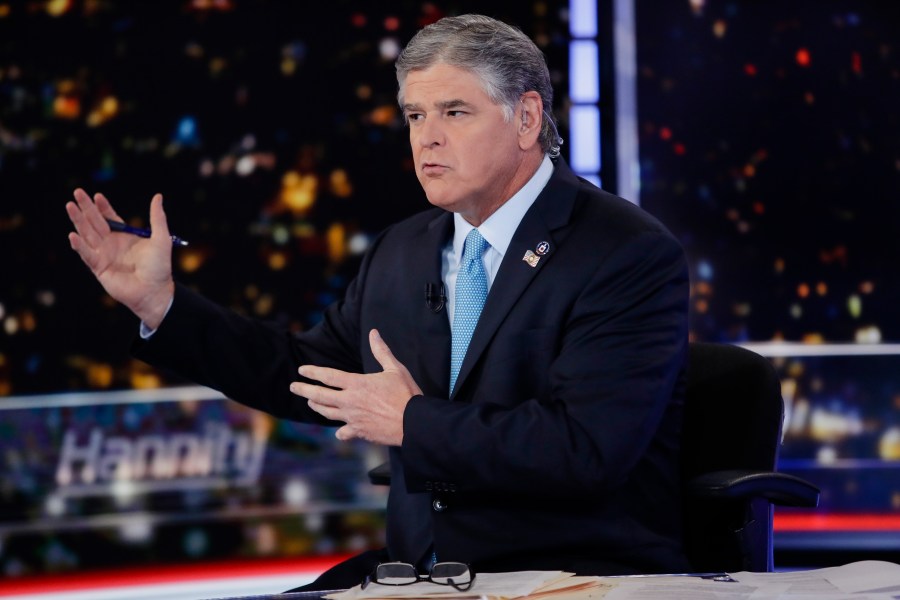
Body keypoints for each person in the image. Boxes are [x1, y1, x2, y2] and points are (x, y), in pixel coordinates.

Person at [66, 14, 691, 590]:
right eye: (415, 116)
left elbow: (585, 450)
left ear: (527, 119)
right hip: (425, 575)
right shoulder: (406, 248)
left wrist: (412, 422)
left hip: (577, 573)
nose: (428, 139)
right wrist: (164, 307)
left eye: (454, 112)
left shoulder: (624, 252)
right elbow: (306, 373)